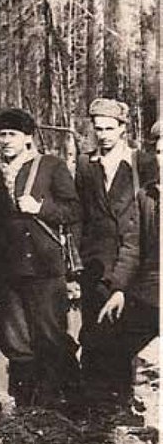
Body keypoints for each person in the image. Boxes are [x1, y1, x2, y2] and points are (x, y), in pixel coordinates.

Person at [0, 108, 81, 407]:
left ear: (27, 137)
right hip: (7, 271)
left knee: (50, 336)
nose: (6, 140)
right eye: (2, 135)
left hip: (44, 268)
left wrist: (40, 208)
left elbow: (74, 210)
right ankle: (27, 405)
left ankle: (64, 401)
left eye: (13, 134)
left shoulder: (51, 166)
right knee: (15, 341)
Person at [81, 133, 160, 411]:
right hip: (150, 291)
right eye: (160, 152)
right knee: (108, 336)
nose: (162, 160)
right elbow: (132, 248)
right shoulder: (148, 197)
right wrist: (118, 290)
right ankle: (116, 408)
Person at [75, 98, 143, 405]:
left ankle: (124, 396)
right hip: (95, 259)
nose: (103, 135)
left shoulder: (140, 162)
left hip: (132, 256)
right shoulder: (85, 164)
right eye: (98, 129)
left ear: (122, 129)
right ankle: (96, 400)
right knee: (94, 326)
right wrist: (79, 254)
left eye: (109, 129)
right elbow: (79, 213)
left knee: (125, 328)